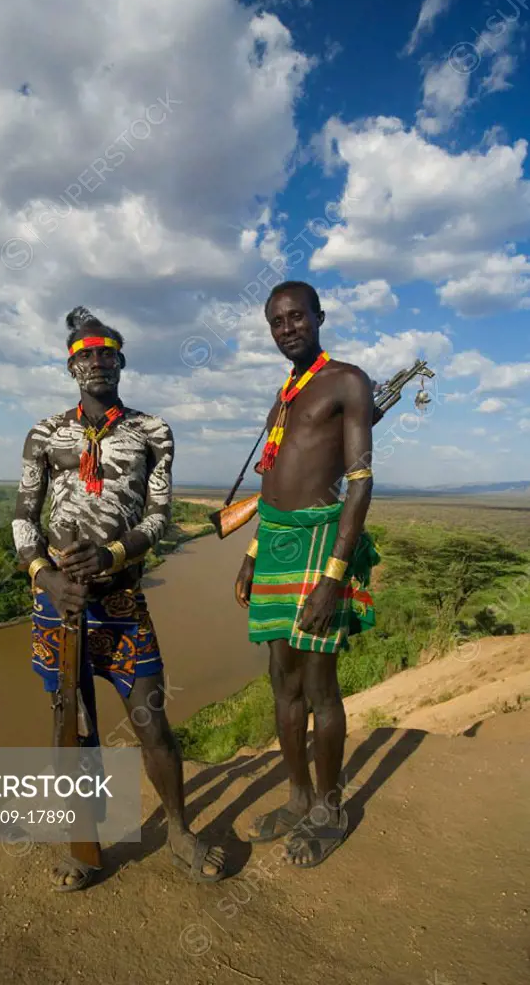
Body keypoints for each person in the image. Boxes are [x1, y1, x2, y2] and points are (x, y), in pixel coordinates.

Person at [12, 305, 225, 890]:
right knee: (74, 728)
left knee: (151, 722)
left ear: (121, 361)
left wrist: (110, 556)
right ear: (70, 367)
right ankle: (86, 846)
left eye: (106, 352)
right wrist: (42, 574)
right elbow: (23, 517)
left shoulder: (153, 432)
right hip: (59, 604)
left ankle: (178, 832)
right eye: (84, 355)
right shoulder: (43, 434)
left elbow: (159, 517)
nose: (96, 362)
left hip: (122, 601)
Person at [234, 280, 380, 868]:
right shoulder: (285, 393)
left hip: (323, 545)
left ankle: (330, 808)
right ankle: (297, 797)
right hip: (277, 544)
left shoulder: (348, 380)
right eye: (276, 321)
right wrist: (251, 551)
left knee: (320, 686)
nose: (286, 327)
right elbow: (273, 485)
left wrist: (334, 576)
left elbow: (360, 480)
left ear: (319, 317)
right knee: (282, 680)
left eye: (296, 316)